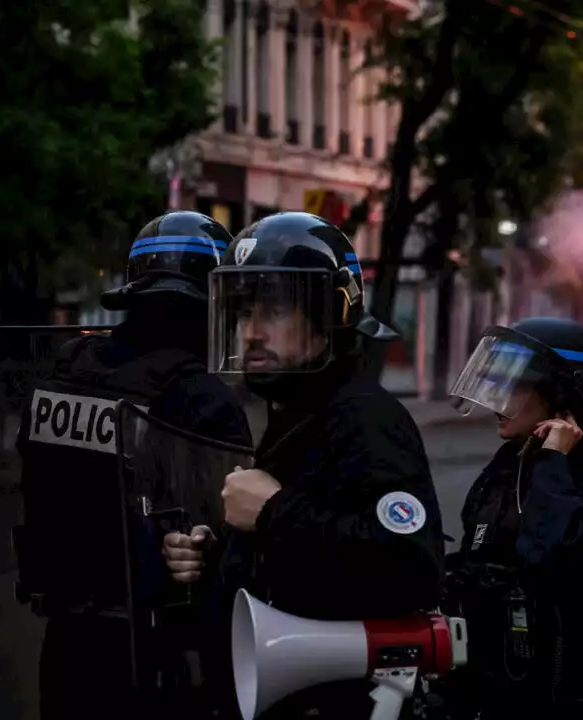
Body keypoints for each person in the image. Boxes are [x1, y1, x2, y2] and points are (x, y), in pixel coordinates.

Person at [160, 211, 446, 719]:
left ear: (328, 317)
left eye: (272, 312)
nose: (250, 332)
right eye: (243, 314)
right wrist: (213, 559)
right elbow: (298, 560)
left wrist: (272, 512)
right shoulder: (300, 413)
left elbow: (410, 563)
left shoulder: (365, 419)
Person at [15, 210, 254, 720]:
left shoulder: (63, 374)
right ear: (213, 302)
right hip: (159, 658)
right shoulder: (201, 398)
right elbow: (229, 546)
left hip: (64, 646)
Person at [442, 318, 583, 720]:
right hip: (496, 694)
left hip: (569, 703)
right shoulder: (510, 463)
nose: (499, 399)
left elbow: (556, 556)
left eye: (516, 385)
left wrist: (553, 461)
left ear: (563, 394)